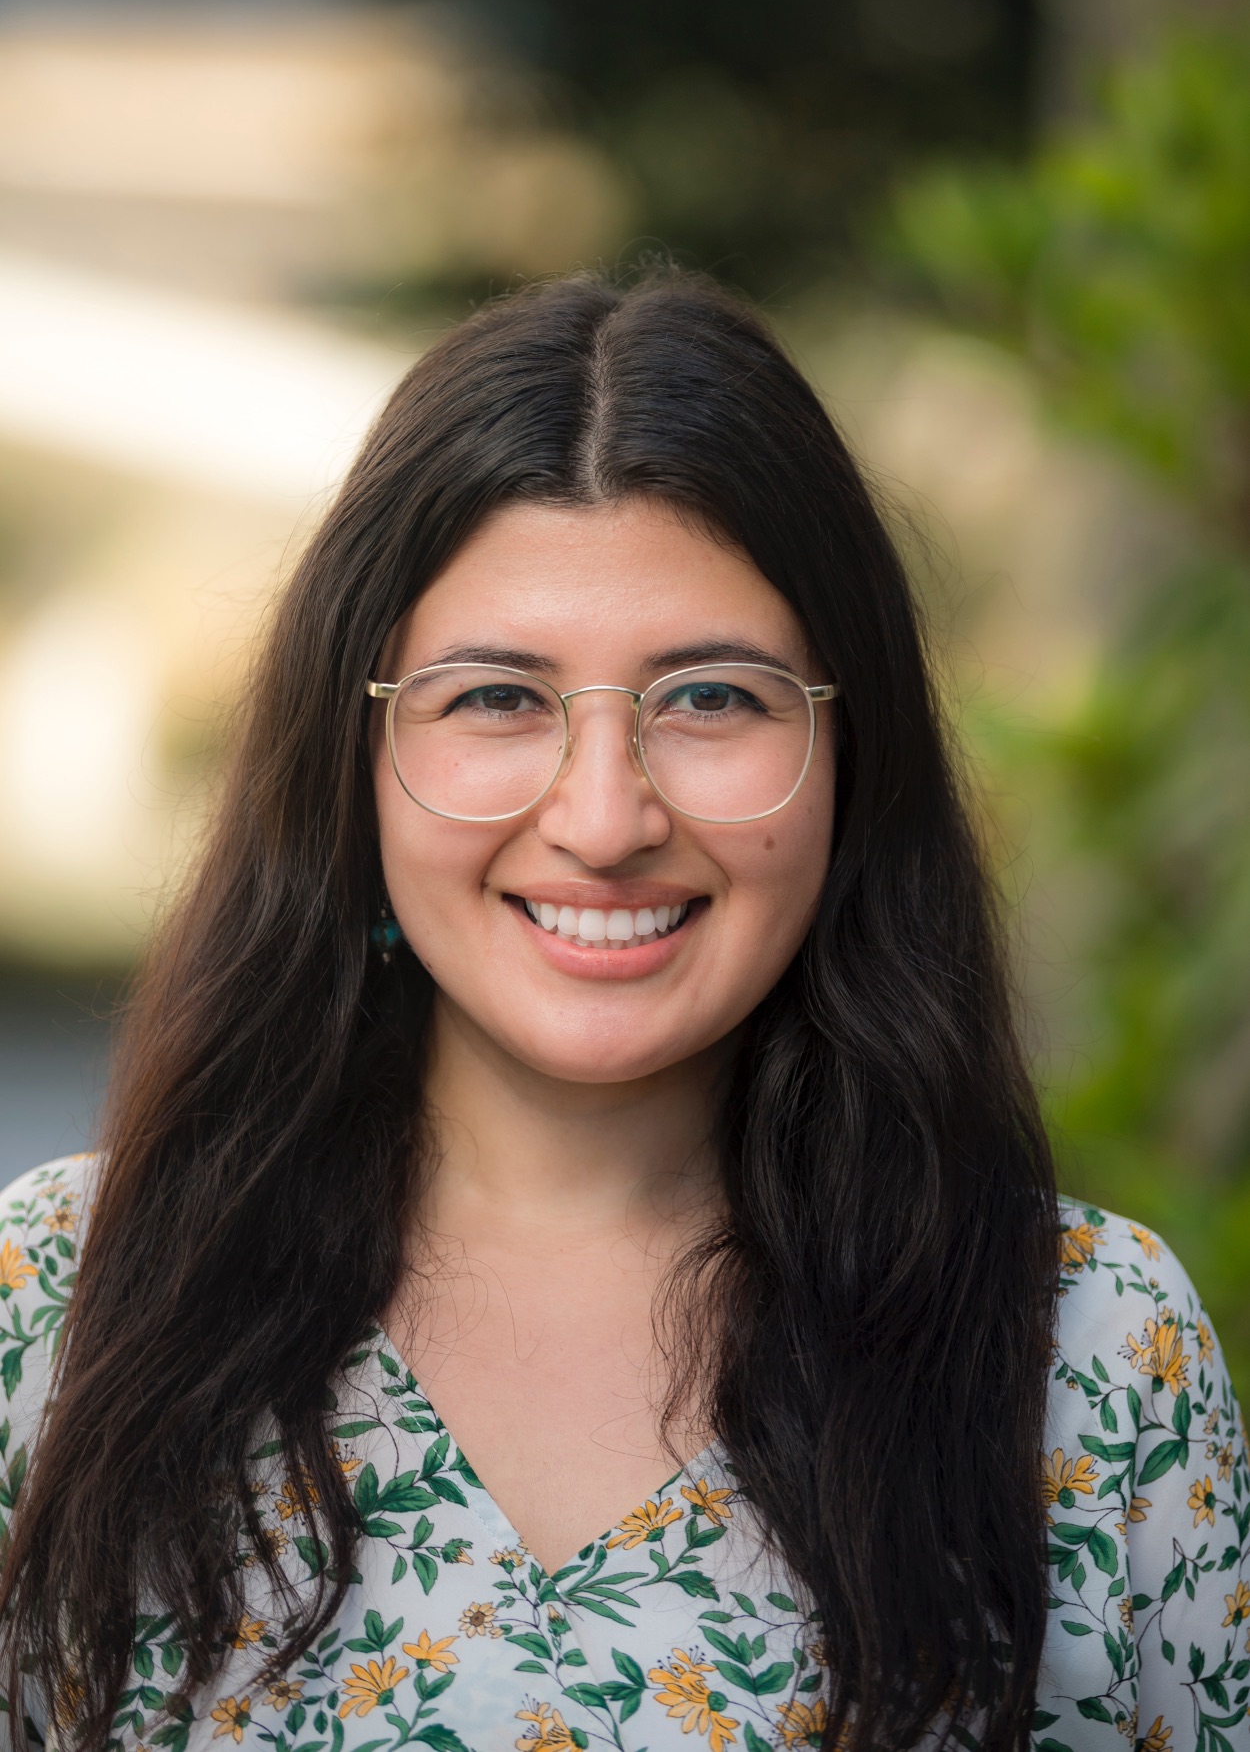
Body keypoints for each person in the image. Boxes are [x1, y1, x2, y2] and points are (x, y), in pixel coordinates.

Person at [0, 271, 1244, 1752]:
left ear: (854, 757)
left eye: (711, 698)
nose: (603, 819)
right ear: (355, 762)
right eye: (495, 700)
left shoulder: (1092, 1353)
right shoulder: (64, 1312)